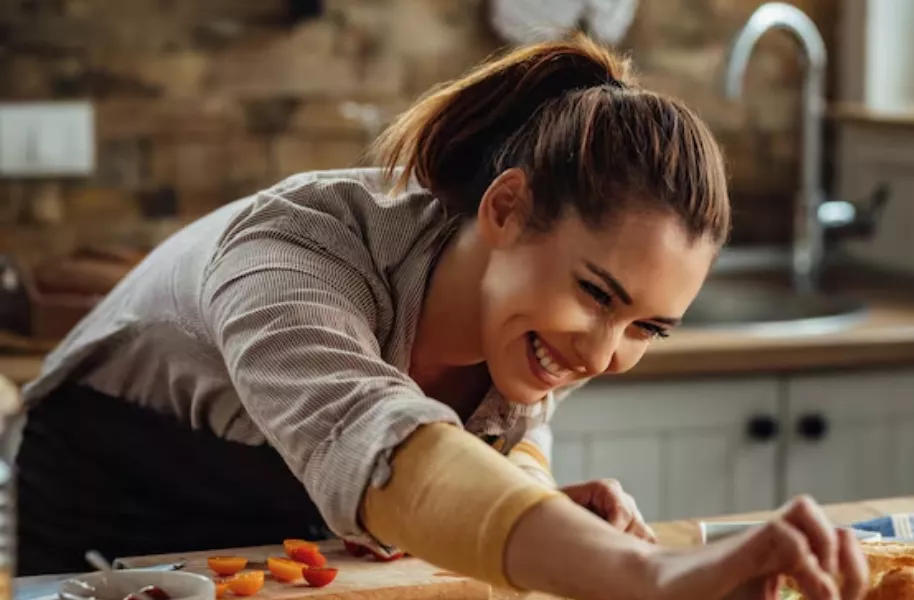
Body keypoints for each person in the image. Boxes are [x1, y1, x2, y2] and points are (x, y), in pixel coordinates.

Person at [15, 36, 868, 600]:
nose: (603, 351)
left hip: (281, 520)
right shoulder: (293, 251)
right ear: (506, 209)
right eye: (600, 296)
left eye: (648, 326)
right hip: (107, 505)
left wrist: (543, 506)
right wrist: (648, 576)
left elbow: (505, 440)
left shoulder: (526, 315)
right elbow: (379, 439)